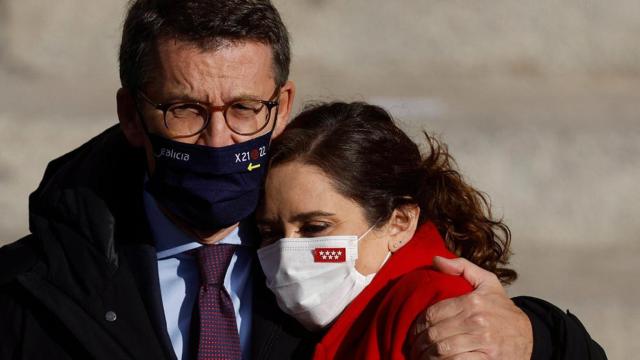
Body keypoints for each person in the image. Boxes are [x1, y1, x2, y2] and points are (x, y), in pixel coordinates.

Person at [0, 0, 605, 359]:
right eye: (185, 109)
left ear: (282, 106)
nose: (218, 139)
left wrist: (536, 340)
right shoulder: (33, 289)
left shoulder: (336, 250)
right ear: (132, 114)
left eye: (244, 108)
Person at [255, 101, 513, 358]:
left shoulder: (442, 315)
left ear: (399, 223)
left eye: (315, 227)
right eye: (271, 232)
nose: (287, 256)